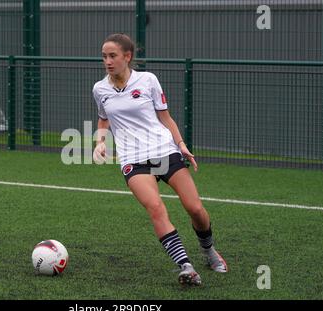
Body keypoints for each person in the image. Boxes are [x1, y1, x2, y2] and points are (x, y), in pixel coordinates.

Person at [92, 33, 227, 286]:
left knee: (195, 208)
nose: (107, 61)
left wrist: (181, 145)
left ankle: (208, 250)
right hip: (133, 159)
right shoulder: (100, 89)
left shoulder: (148, 80)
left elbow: (166, 118)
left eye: (113, 56)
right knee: (155, 208)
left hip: (164, 151)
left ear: (127, 56)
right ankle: (186, 266)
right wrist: (100, 141)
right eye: (104, 56)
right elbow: (103, 119)